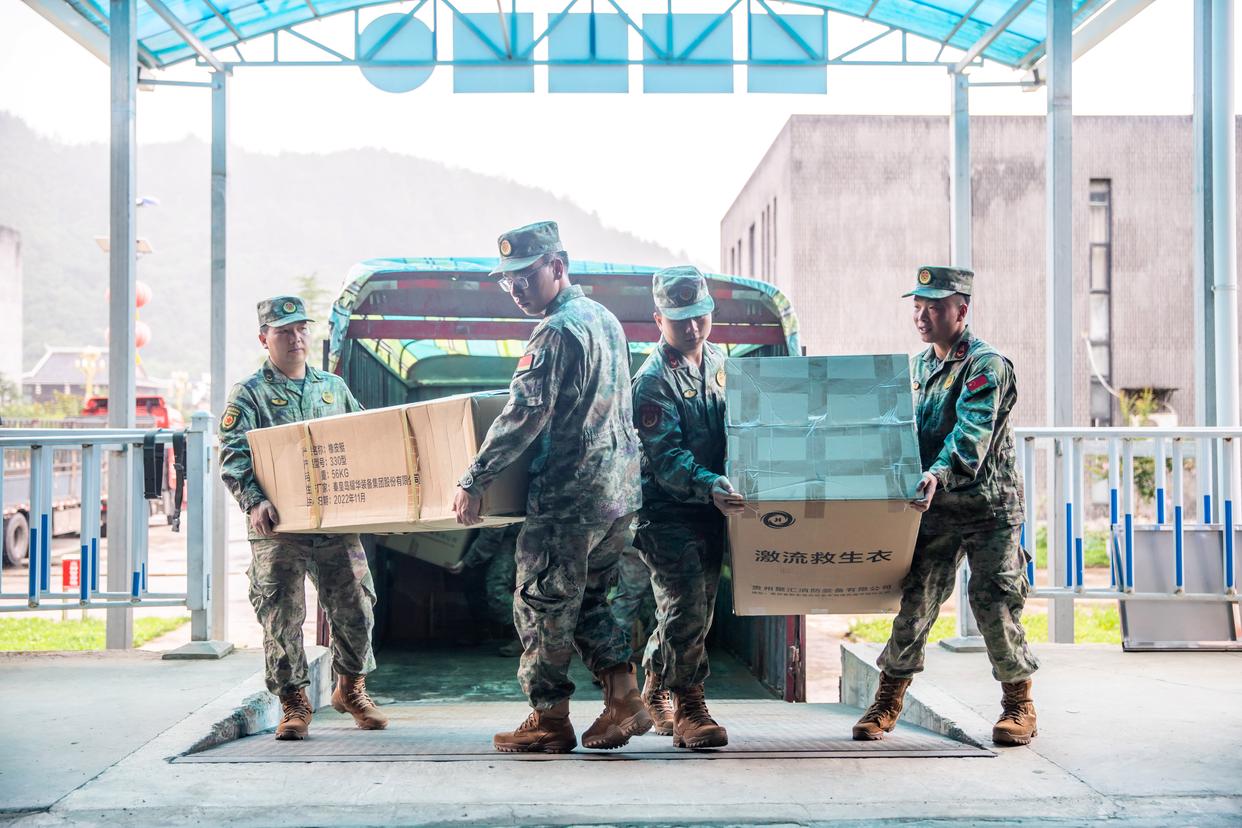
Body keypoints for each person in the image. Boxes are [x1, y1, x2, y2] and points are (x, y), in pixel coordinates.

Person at [452, 220, 649, 753]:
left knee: (538, 602)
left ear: (557, 267)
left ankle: (549, 719)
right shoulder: (606, 320)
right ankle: (625, 698)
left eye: (525, 274)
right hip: (618, 496)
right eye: (507, 279)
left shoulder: (556, 330)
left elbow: (525, 413)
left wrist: (475, 478)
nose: (515, 286)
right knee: (587, 600)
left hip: (570, 498)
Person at [853, 266, 1038, 747]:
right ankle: (888, 698)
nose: (922, 315)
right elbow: (900, 432)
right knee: (916, 602)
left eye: (934, 306)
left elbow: (970, 436)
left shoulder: (986, 365)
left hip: (987, 509)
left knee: (993, 603)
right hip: (933, 508)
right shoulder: (916, 368)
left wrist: (936, 473)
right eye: (917, 305)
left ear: (962, 309)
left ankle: (1018, 705)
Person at [219, 296, 387, 741]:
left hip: (333, 523)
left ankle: (351, 687)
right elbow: (234, 457)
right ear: (264, 338)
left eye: (301, 329)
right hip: (279, 527)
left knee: (356, 604)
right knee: (281, 614)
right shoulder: (249, 394)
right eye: (283, 331)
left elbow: (364, 440)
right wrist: (254, 501)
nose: (295, 338)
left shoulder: (332, 387)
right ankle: (293, 700)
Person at [630, 265, 744, 750]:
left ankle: (655, 686)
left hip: (711, 507)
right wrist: (711, 482)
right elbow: (666, 459)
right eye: (681, 320)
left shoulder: (721, 361)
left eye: (699, 316)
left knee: (695, 610)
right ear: (659, 320)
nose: (693, 328)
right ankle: (689, 708)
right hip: (666, 511)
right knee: (686, 607)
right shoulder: (651, 382)